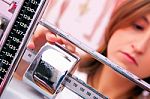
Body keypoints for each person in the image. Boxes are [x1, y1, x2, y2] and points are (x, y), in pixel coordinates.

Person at [16, 0, 150, 99]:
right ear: (117, 22)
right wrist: (21, 64)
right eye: (138, 26)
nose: (139, 47)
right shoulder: (67, 68)